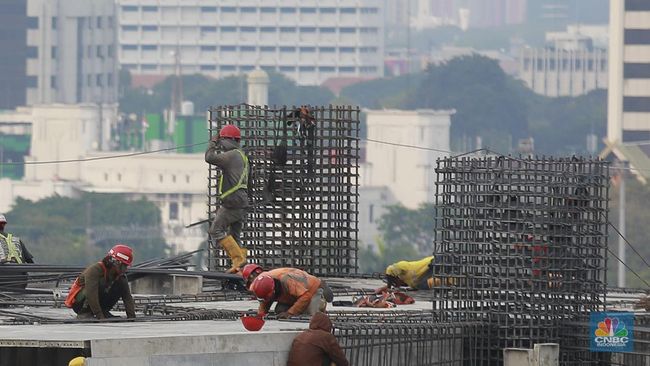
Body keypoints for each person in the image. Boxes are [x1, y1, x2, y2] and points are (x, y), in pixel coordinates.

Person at [205, 124, 250, 273]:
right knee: (235, 236)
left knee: (216, 230)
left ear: (228, 140)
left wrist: (213, 142)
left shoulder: (232, 156)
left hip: (232, 202)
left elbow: (209, 157)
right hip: (241, 202)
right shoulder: (242, 156)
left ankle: (238, 259)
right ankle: (241, 267)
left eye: (222, 140)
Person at [64, 244, 136, 320]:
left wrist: (132, 317)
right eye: (124, 266)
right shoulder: (95, 270)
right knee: (100, 283)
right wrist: (100, 317)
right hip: (79, 303)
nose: (125, 269)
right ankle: (85, 312)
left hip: (97, 304)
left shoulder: (120, 276)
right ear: (117, 263)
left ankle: (104, 311)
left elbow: (127, 297)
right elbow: (91, 293)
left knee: (121, 283)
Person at [249, 267, 327, 319]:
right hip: (292, 295)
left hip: (312, 290)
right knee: (280, 311)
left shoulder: (287, 280)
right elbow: (264, 300)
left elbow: (306, 296)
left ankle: (321, 303)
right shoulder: (263, 282)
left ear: (274, 291)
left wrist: (290, 313)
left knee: (311, 316)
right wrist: (260, 315)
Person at [376, 256, 456, 293]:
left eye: (395, 283)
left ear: (397, 277)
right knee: (426, 286)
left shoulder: (406, 268)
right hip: (440, 275)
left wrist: (389, 286)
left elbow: (390, 270)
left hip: (435, 262)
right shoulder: (414, 284)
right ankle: (454, 280)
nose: (397, 285)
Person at [0, 214, 34, 290]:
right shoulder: (16, 240)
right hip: (20, 281)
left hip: (2, 280)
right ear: (4, 225)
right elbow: (31, 263)